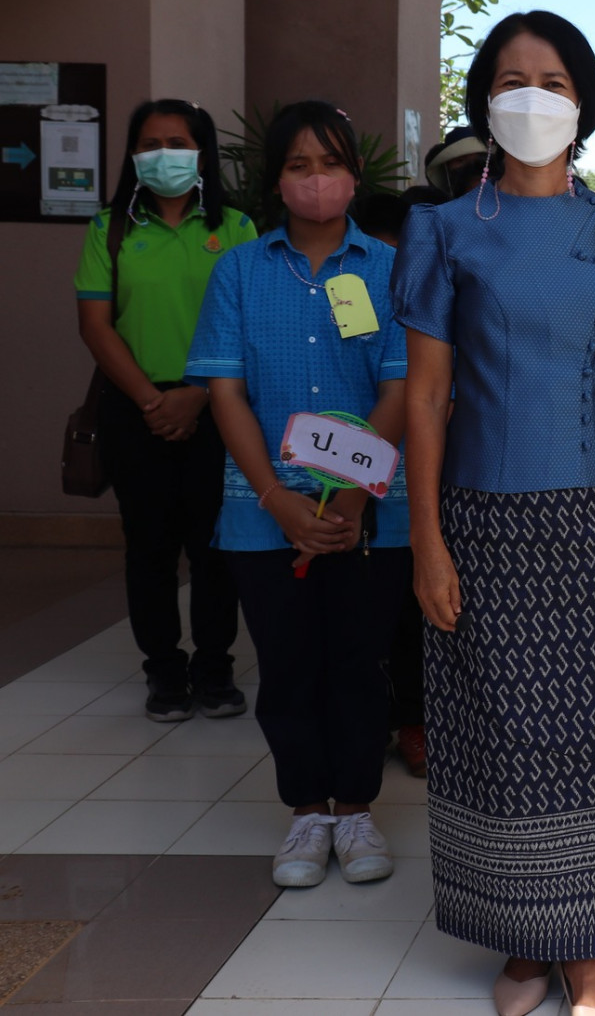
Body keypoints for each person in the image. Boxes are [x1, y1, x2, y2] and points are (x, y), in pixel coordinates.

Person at [393, 10, 595, 1016]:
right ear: (483, 99)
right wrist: (425, 535)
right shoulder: (440, 230)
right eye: (512, 78)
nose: (532, 96)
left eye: (553, 79)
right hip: (481, 518)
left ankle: (588, 950)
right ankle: (525, 939)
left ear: (584, 102)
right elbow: (426, 396)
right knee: (502, 732)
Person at [185, 101, 409, 889]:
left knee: (356, 660)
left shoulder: (387, 270)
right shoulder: (240, 270)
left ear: (357, 174)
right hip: (260, 513)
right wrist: (279, 502)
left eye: (332, 164)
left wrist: (348, 499)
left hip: (369, 515)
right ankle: (306, 813)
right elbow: (225, 391)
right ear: (273, 179)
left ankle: (355, 810)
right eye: (299, 166)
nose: (318, 181)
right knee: (285, 664)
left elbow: (400, 384)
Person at [75, 99, 257, 722]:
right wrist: (155, 400)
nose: (162, 154)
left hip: (220, 404)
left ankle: (215, 670)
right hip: (138, 407)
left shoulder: (236, 227)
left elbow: (248, 324)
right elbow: (96, 326)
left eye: (176, 142)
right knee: (148, 547)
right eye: (149, 143)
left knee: (215, 547)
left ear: (202, 150)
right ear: (131, 154)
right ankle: (164, 672)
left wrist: (200, 394)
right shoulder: (110, 229)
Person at [357, 184, 445, 778]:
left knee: (418, 623)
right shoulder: (351, 297)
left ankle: (417, 721)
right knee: (369, 625)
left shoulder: (443, 292)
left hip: (422, 490)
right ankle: (375, 722)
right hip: (357, 484)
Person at [422, 125, 488, 197]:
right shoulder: (438, 207)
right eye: (460, 160)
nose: (471, 168)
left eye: (478, 161)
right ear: (447, 167)